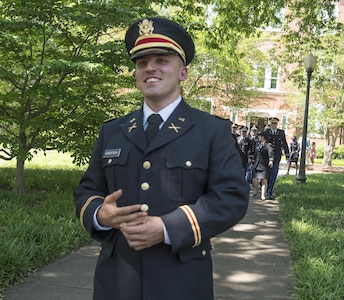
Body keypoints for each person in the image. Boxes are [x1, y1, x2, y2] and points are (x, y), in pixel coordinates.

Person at [73, 17, 249, 300]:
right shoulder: (113, 131)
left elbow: (231, 197)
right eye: (141, 62)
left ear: (183, 72)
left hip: (181, 280)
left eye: (162, 60)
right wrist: (100, 214)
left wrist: (167, 227)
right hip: (117, 279)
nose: (150, 67)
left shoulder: (211, 131)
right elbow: (87, 190)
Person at [265, 117, 289, 200]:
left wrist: (287, 155)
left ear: (277, 124)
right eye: (272, 123)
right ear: (270, 124)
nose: (273, 125)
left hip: (277, 156)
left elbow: (284, 144)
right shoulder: (267, 132)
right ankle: (266, 189)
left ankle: (269, 191)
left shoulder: (281, 133)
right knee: (267, 174)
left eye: (275, 123)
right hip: (267, 157)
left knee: (274, 174)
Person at [252, 131, 274, 200]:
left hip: (264, 165)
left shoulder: (268, 145)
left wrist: (271, 160)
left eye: (260, 136)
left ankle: (263, 195)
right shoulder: (258, 145)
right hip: (256, 165)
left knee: (264, 180)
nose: (259, 137)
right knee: (255, 180)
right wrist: (252, 161)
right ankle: (256, 189)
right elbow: (255, 154)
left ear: (263, 137)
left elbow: (271, 153)